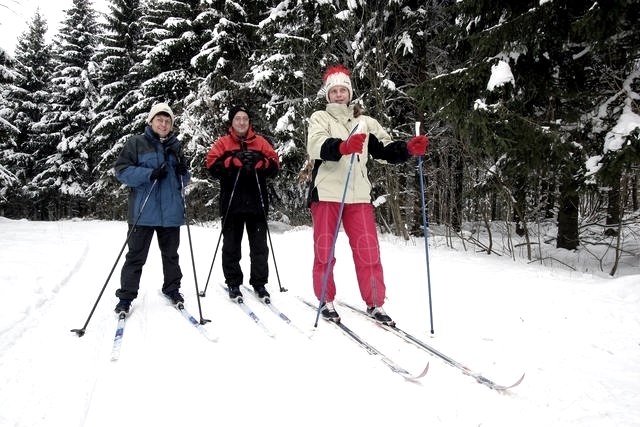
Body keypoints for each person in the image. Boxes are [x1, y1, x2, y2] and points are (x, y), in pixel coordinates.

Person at [306, 65, 429, 325]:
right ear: (328, 95)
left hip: (359, 196)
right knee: (325, 250)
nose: (339, 95)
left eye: (343, 90)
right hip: (327, 193)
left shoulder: (365, 122)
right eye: (334, 91)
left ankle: (375, 303)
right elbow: (316, 145)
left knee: (368, 251)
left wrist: (407, 149)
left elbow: (384, 148)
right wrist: (341, 146)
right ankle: (326, 299)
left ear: (350, 93)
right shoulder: (320, 118)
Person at [113, 102, 190, 314]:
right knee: (135, 256)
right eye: (160, 120)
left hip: (171, 212)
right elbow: (121, 171)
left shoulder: (176, 146)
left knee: (171, 255)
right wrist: (149, 174)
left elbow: (184, 179)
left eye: (167, 121)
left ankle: (172, 288)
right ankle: (126, 296)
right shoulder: (136, 143)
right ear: (151, 121)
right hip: (143, 212)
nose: (163, 124)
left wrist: (184, 171)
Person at [206, 105, 280, 303]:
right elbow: (211, 166)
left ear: (249, 122)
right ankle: (233, 281)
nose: (241, 122)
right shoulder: (223, 142)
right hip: (232, 203)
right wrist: (230, 162)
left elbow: (275, 165)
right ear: (232, 122)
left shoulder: (260, 142)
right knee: (231, 245)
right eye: (238, 118)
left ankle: (259, 283)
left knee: (259, 246)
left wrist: (262, 163)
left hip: (256, 202)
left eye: (245, 119)